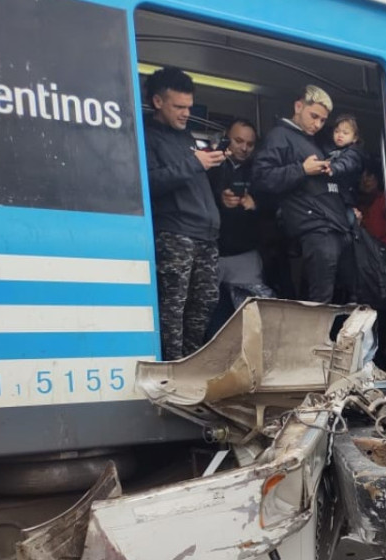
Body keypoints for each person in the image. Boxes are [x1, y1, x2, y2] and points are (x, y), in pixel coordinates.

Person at [143, 67, 225, 360]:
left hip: (206, 234)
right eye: (179, 106)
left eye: (189, 107)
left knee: (204, 304)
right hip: (175, 233)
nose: (185, 113)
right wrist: (195, 163)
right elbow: (149, 183)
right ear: (157, 101)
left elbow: (193, 181)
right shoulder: (146, 136)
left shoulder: (186, 136)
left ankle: (191, 367)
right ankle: (172, 371)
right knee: (173, 309)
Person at [252, 85, 352, 304]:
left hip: (333, 228)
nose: (317, 124)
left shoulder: (312, 141)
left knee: (335, 299)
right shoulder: (279, 136)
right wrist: (302, 170)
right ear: (298, 106)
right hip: (313, 231)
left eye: (323, 120)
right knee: (318, 304)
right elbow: (261, 178)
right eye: (313, 116)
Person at [206, 119, 273, 335]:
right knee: (208, 316)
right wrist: (219, 197)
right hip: (209, 251)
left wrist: (257, 204)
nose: (244, 148)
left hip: (245, 254)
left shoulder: (261, 170)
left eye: (250, 144)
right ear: (226, 137)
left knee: (253, 320)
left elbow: (279, 206)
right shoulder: (209, 162)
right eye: (238, 141)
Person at [325, 114, 366, 229]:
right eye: (337, 131)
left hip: (346, 200)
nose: (340, 135)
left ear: (354, 138)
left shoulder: (354, 153)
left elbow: (346, 164)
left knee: (347, 227)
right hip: (335, 198)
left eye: (345, 133)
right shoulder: (333, 152)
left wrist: (333, 168)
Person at [357, 165, 386, 246]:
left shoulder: (385, 201)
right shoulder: (357, 207)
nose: (365, 180)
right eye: (362, 177)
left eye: (369, 176)